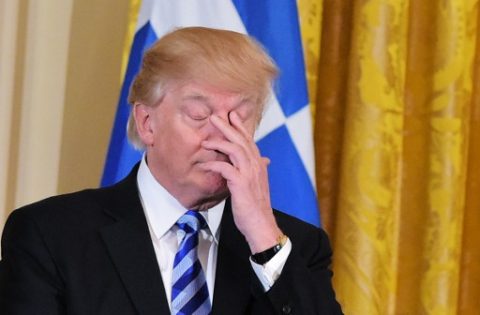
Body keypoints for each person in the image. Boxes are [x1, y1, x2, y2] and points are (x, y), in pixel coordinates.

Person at [0, 27, 342, 314]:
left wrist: (263, 237)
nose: (220, 137)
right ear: (147, 123)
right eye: (198, 115)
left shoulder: (297, 247)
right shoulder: (51, 234)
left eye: (238, 118)